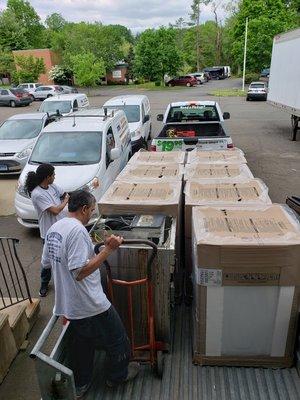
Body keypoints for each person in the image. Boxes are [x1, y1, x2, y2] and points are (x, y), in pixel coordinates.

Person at [41, 190, 140, 399]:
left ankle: (82, 385)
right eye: (92, 210)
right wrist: (108, 250)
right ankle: (117, 376)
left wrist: (93, 251)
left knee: (83, 345)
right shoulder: (77, 231)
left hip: (71, 304)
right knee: (118, 338)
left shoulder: (55, 229)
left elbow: (47, 262)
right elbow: (79, 272)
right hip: (90, 303)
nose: (92, 214)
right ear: (84, 209)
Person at [24, 163, 69, 297]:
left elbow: (63, 193)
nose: (55, 177)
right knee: (47, 261)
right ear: (47, 177)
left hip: (61, 228)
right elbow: (55, 211)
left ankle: (65, 282)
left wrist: (65, 197)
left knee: (64, 257)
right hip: (49, 232)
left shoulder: (52, 187)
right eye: (53, 175)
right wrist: (66, 200)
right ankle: (44, 284)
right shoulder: (37, 194)